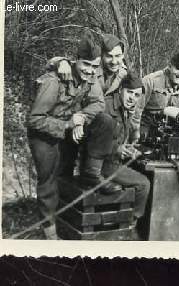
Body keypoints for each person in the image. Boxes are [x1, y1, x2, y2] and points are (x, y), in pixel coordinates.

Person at [28, 34, 116, 239]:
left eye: (95, 66)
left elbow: (98, 103)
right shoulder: (53, 81)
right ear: (75, 60)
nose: (90, 70)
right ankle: (49, 233)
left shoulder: (90, 77)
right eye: (86, 64)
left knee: (104, 120)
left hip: (68, 127)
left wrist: (82, 118)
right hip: (43, 133)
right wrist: (69, 123)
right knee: (48, 179)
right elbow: (34, 120)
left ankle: (91, 175)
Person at [101, 71, 151, 240]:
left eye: (137, 95)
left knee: (144, 172)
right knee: (143, 184)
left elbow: (118, 138)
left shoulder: (126, 109)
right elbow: (91, 142)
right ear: (121, 89)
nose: (132, 98)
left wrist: (128, 148)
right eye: (129, 92)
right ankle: (130, 226)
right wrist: (117, 149)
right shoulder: (106, 106)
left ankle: (126, 222)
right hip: (101, 165)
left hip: (112, 160)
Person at [133, 49, 179, 139]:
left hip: (175, 130)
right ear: (170, 66)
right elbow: (136, 109)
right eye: (178, 69)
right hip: (149, 126)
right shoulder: (151, 81)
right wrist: (135, 132)